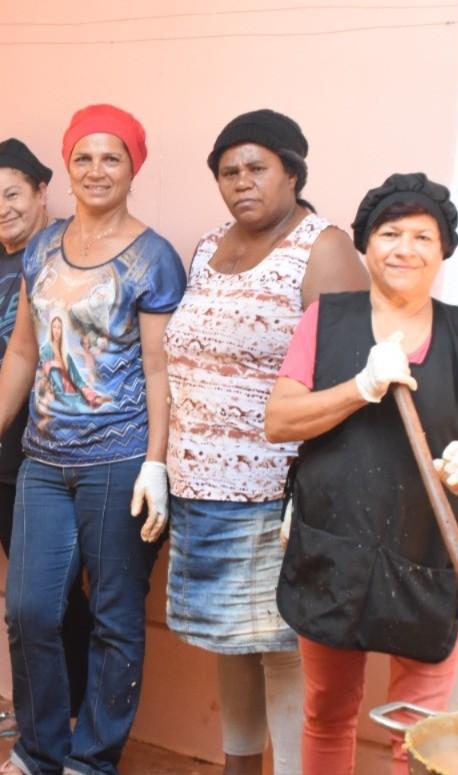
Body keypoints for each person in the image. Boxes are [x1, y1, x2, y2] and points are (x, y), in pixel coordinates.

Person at [265, 173, 458, 775]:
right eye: (389, 233)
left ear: (442, 251)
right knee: (328, 712)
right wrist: (360, 387)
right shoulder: (325, 322)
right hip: (334, 551)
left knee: (417, 733)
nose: (404, 249)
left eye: (422, 236)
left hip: (430, 554)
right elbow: (279, 421)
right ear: (365, 243)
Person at [0, 104, 186, 775]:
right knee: (29, 609)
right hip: (42, 459)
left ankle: (91, 761)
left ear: (131, 168)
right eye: (83, 157)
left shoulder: (154, 258)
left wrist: (156, 462)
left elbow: (159, 367)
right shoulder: (41, 247)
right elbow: (21, 354)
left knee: (116, 619)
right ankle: (38, 749)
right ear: (66, 165)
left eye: (110, 157)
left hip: (118, 463)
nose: (96, 169)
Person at [161, 109, 369, 775]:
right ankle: (238, 766)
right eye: (227, 171)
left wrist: (309, 492)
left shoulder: (321, 246)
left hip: (273, 491)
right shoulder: (207, 246)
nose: (240, 182)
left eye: (256, 168)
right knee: (231, 642)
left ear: (291, 171)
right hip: (198, 486)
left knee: (280, 648)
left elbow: (341, 378)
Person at [0, 138, 92, 739]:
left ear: (41, 193)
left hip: (45, 451)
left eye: (12, 194)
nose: (0, 209)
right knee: (33, 592)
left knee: (48, 596)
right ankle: (48, 709)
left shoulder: (62, 253)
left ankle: (57, 715)